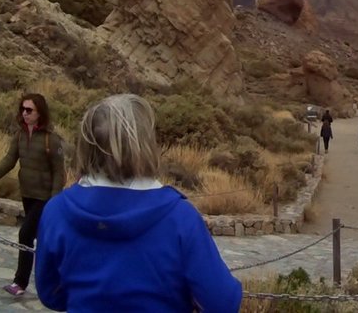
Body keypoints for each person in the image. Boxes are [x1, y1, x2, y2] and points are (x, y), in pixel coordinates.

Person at [35, 93, 241, 313]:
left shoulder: (56, 211)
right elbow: (223, 303)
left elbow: (50, 294)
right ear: (145, 146)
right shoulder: (180, 218)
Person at [0, 92, 65, 298]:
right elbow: (9, 158)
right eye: (22, 109)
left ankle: (19, 282)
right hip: (27, 194)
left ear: (40, 113)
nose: (25, 113)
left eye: (29, 110)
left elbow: (59, 172)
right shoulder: (20, 135)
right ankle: (56, 277)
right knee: (40, 238)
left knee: (25, 234)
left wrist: (55, 200)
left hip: (45, 198)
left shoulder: (51, 139)